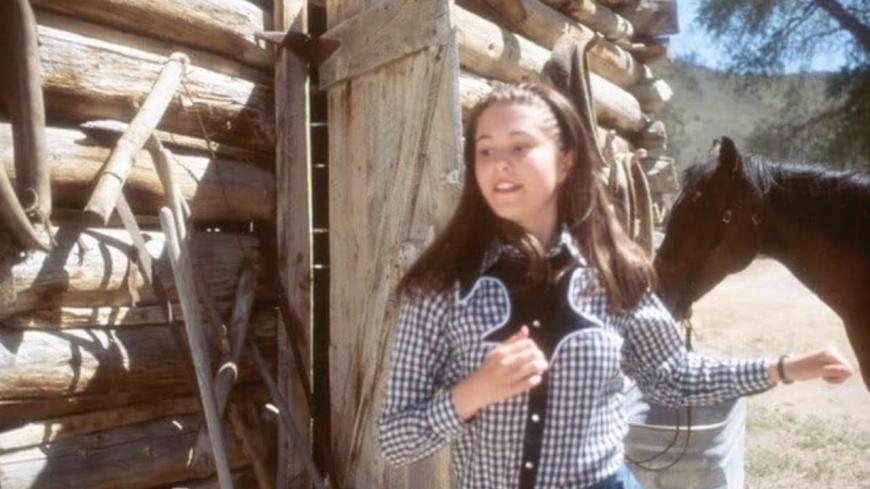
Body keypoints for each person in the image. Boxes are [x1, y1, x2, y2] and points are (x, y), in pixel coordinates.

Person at [376, 83, 853, 489]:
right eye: (485, 149)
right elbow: (393, 440)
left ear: (565, 162)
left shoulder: (614, 274)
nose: (500, 163)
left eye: (520, 146)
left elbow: (672, 374)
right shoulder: (439, 288)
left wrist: (786, 367)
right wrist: (472, 392)